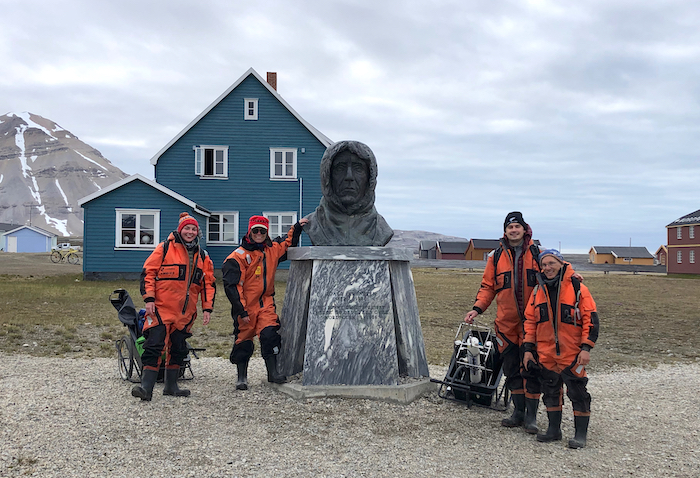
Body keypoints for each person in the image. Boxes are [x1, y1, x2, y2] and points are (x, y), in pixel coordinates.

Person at [464, 211, 542, 433]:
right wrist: (477, 308)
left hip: (532, 324)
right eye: (510, 227)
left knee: (531, 368)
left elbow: (556, 269)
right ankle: (517, 412)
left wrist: (572, 277)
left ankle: (531, 417)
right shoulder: (496, 257)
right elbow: (488, 286)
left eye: (517, 227)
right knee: (511, 369)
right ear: (505, 231)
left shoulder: (536, 253)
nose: (514, 230)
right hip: (506, 324)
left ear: (524, 229)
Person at [133, 212, 216, 401]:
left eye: (193, 229)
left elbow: (208, 283)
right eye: (187, 228)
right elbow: (148, 273)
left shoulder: (203, 256)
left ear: (198, 232)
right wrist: (149, 299)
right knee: (154, 345)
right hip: (161, 308)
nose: (190, 232)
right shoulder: (164, 248)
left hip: (186, 312)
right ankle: (146, 388)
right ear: (180, 230)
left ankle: (171, 386)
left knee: (178, 348)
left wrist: (207, 308)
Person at [523, 249, 599, 449]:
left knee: (578, 392)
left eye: (551, 263)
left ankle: (580, 435)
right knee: (550, 391)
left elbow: (590, 319)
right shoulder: (538, 290)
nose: (547, 268)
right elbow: (530, 322)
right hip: (546, 353)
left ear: (561, 263)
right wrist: (528, 349)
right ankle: (553, 430)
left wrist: (586, 348)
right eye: (544, 264)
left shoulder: (578, 288)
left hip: (572, 353)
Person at [223, 215, 307, 390]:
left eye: (262, 231)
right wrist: (241, 310)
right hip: (245, 305)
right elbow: (232, 287)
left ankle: (273, 373)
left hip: (265, 303)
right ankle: (241, 377)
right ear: (250, 231)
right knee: (243, 340)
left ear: (267, 232)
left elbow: (287, 243)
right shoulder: (237, 257)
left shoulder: (272, 250)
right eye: (256, 230)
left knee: (270, 335)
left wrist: (297, 227)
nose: (259, 234)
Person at [303, 140, 393, 246]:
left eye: (358, 168)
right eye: (340, 168)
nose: (349, 176)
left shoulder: (381, 230)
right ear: (327, 177)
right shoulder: (313, 224)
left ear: (370, 178)